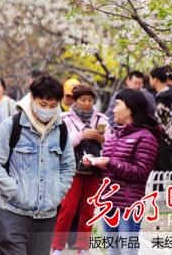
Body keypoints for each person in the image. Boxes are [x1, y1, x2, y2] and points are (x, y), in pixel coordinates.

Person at [0, 75, 75, 255]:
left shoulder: (61, 129)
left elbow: (68, 166)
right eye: (43, 104)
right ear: (32, 98)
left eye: (53, 106)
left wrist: (57, 192)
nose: (48, 110)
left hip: (46, 217)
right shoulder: (11, 126)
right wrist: (13, 190)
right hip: (13, 214)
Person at [86, 88, 159, 255]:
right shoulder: (114, 137)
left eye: (118, 104)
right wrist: (93, 164)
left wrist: (110, 163)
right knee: (113, 251)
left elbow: (141, 172)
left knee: (127, 251)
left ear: (130, 108)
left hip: (128, 205)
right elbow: (107, 171)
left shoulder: (146, 137)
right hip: (108, 203)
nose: (113, 109)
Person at [52, 85, 108, 255]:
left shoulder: (101, 119)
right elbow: (60, 144)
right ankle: (57, 247)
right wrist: (82, 136)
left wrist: (102, 139)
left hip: (94, 171)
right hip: (72, 170)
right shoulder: (64, 118)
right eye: (83, 100)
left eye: (90, 100)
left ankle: (83, 247)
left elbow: (111, 143)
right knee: (67, 209)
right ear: (74, 101)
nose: (87, 103)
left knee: (88, 210)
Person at [150, 65, 172, 171]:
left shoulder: (165, 98)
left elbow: (161, 120)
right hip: (167, 137)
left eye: (150, 78)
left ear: (155, 79)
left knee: (164, 170)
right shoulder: (168, 95)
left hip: (165, 139)